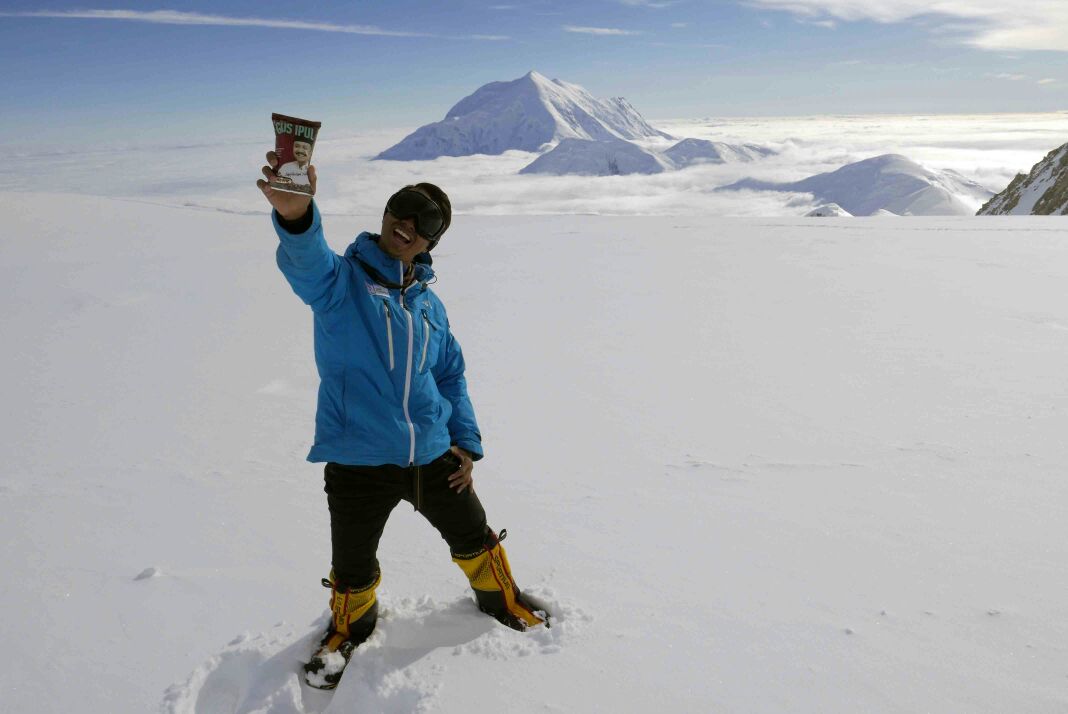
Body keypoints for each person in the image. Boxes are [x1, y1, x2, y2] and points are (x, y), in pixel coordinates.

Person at [256, 151, 546, 689]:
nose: (407, 226)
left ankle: (500, 599)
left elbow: (451, 373)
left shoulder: (429, 305)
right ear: (386, 212)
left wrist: (465, 441)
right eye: (402, 210)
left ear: (434, 242)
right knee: (353, 567)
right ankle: (349, 629)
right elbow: (306, 262)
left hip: (434, 456)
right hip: (358, 459)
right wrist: (296, 216)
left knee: (475, 538)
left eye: (425, 223)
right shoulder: (340, 284)